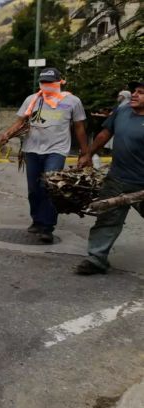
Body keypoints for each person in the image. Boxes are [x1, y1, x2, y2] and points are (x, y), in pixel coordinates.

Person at [0, 68, 89, 244]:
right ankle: (37, 220)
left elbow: (79, 127)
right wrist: (6, 134)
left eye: (50, 82)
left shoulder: (72, 101)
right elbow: (20, 122)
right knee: (34, 189)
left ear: (59, 82)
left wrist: (85, 153)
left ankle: (47, 227)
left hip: (57, 150)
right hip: (32, 149)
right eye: (43, 82)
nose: (46, 85)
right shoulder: (32, 100)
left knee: (51, 187)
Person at [74, 82, 144, 275]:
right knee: (107, 219)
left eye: (141, 93)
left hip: (142, 183)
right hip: (118, 179)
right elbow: (105, 133)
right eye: (134, 91)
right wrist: (88, 154)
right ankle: (96, 258)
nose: (134, 95)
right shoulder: (122, 110)